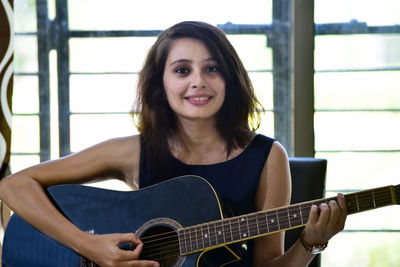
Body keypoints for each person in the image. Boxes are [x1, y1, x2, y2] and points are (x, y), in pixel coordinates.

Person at [0, 21, 347, 267]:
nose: (198, 81)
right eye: (182, 70)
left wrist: (309, 242)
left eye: (212, 69)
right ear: (160, 83)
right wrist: (90, 246)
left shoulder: (268, 156)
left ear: (230, 79)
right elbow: (14, 186)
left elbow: (267, 263)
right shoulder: (133, 151)